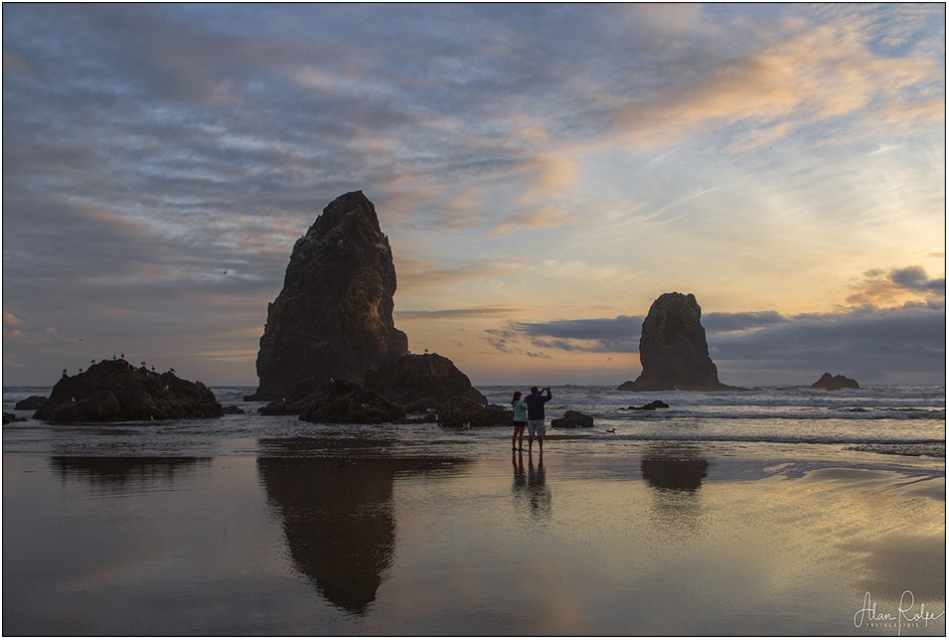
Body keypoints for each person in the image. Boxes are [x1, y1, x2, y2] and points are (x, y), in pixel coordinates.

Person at [524, 386, 552, 454]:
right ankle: (540, 449)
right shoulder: (540, 398)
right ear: (536, 391)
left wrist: (541, 391)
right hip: (539, 418)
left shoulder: (528, 398)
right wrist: (548, 391)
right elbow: (549, 397)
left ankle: (530, 448)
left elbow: (535, 396)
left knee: (531, 434)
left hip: (530, 418)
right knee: (540, 434)